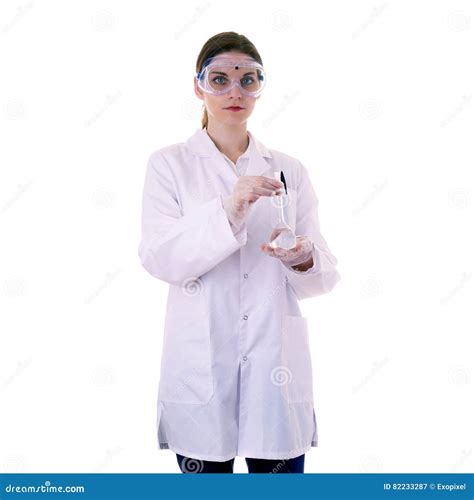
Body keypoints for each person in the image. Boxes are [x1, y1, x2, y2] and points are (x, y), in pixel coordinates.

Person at [138, 32, 341, 474]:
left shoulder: (288, 168)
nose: (235, 91)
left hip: (275, 368)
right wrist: (228, 211)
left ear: (260, 88)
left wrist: (302, 258)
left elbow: (324, 276)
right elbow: (159, 257)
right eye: (220, 79)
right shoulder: (169, 165)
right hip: (200, 366)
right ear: (198, 87)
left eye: (249, 80)